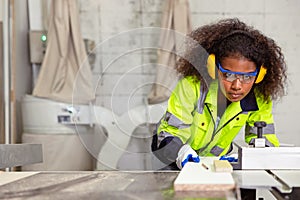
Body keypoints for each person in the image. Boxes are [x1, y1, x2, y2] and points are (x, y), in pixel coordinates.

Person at [151, 18, 287, 170]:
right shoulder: (192, 87)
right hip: (171, 157)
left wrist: (252, 156)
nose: (237, 86)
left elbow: (265, 139)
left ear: (260, 75)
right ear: (213, 68)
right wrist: (181, 152)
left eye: (247, 77)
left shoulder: (259, 98)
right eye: (228, 75)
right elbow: (170, 133)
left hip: (212, 163)